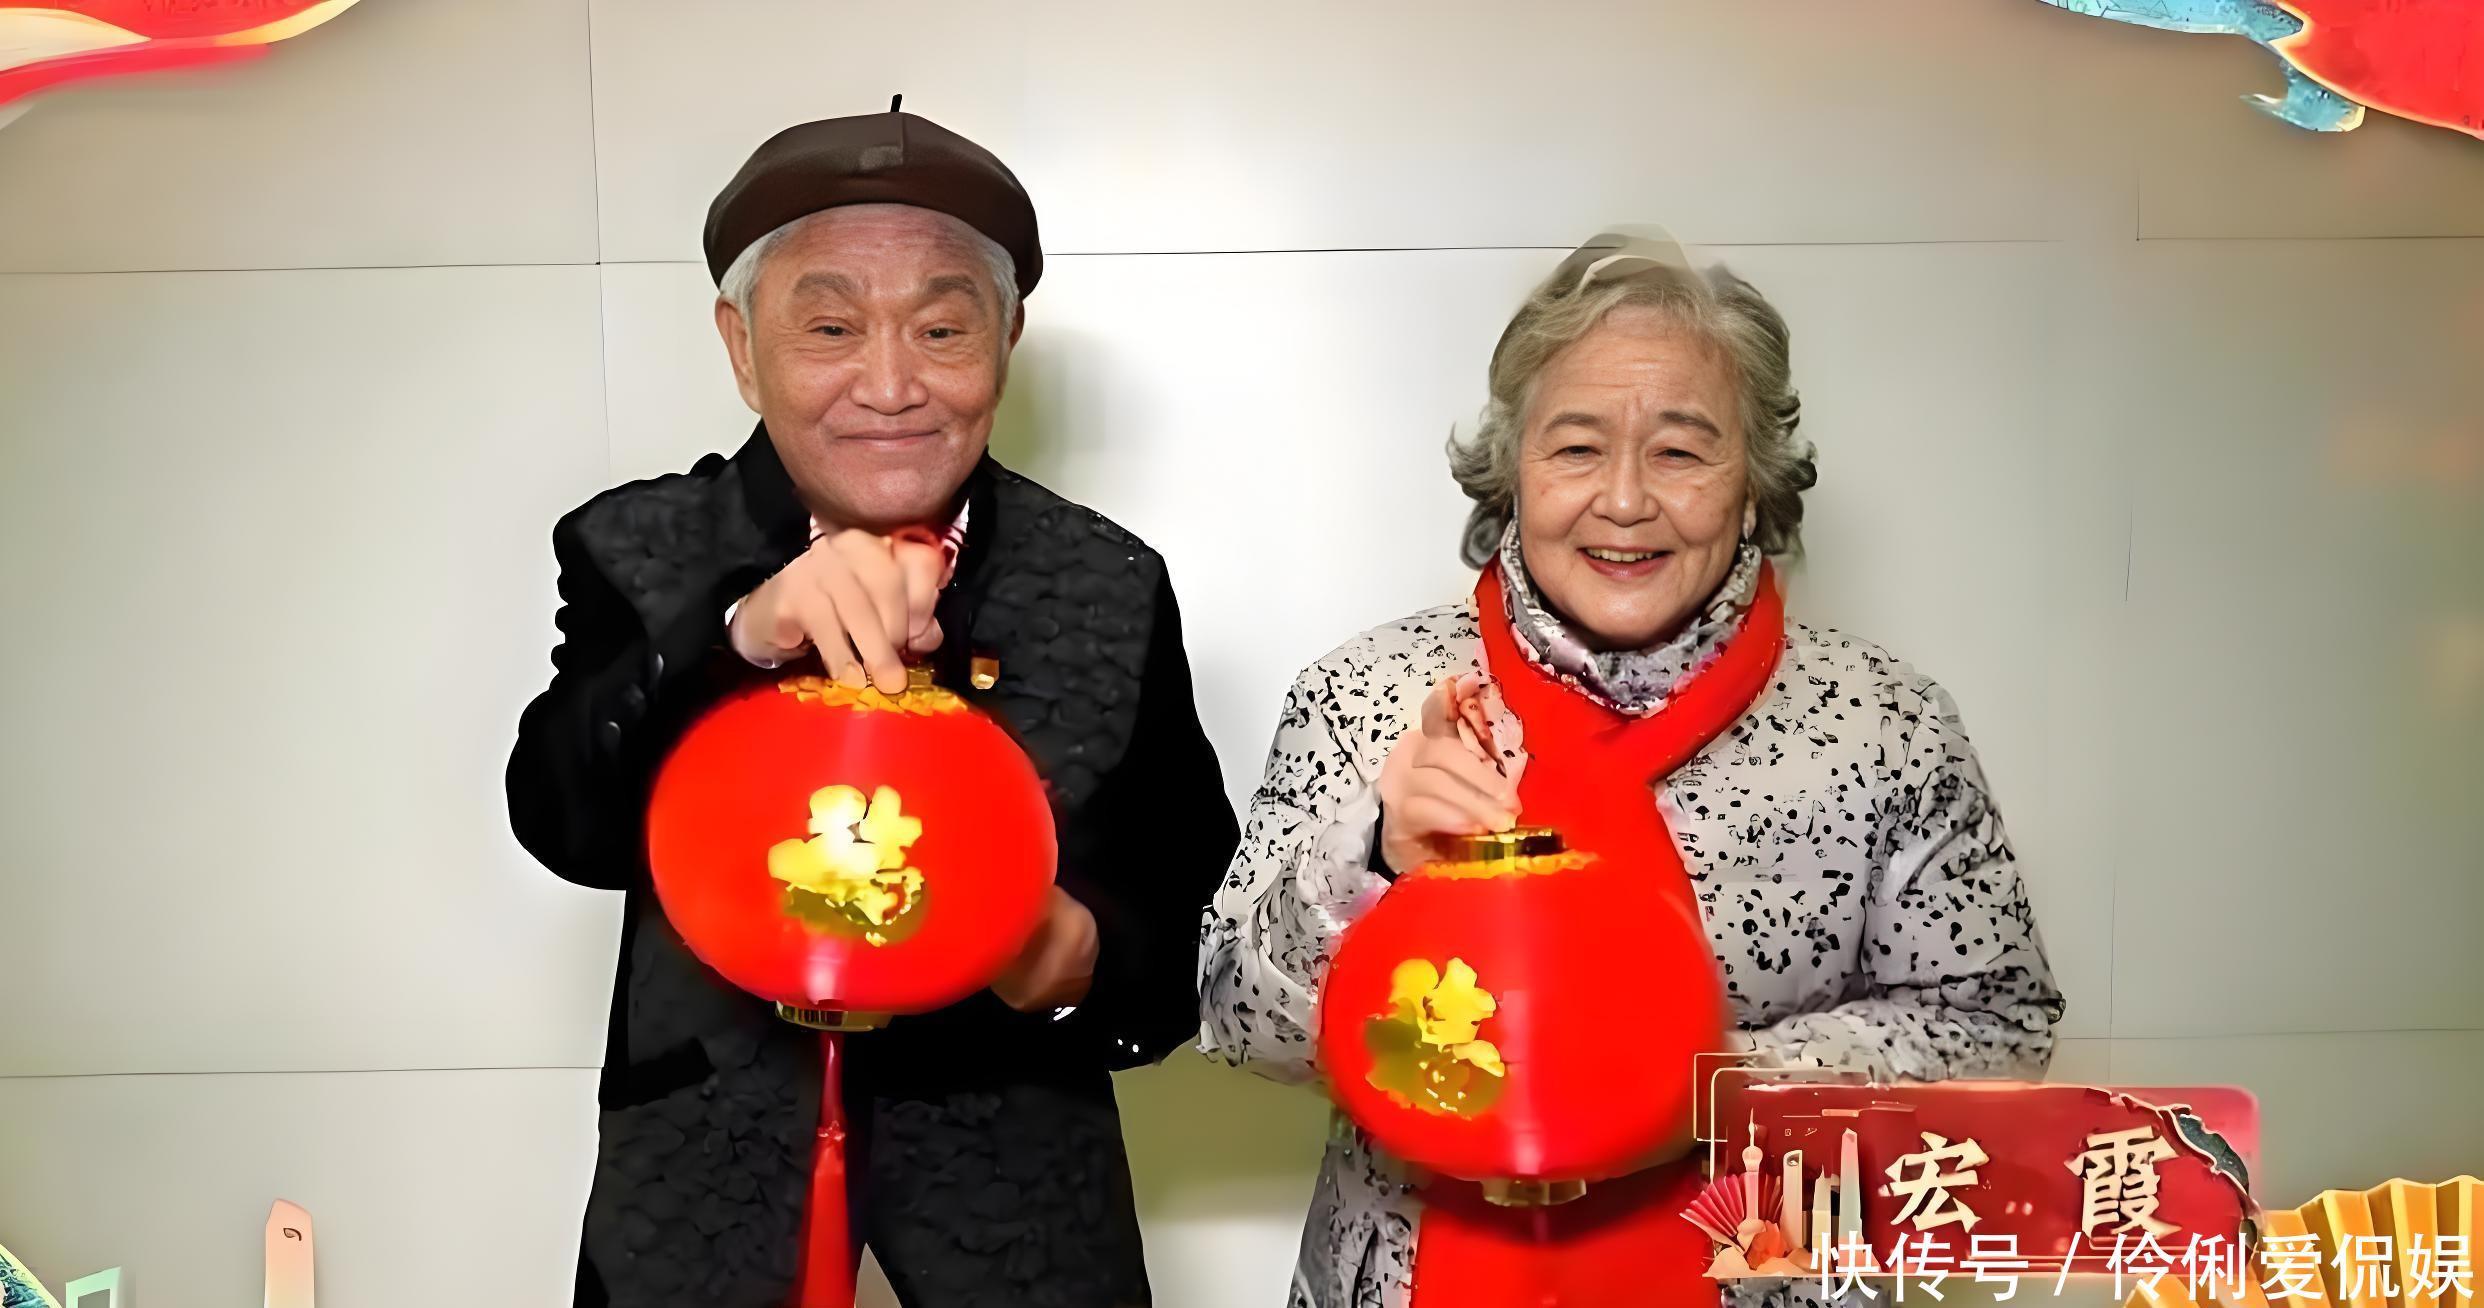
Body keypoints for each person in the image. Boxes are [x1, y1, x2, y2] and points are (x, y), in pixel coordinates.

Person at [1198, 231, 2063, 1308]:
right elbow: (1240, 1025)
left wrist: (1709, 1091)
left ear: (1754, 484)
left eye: (1681, 452)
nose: (1622, 500)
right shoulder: (1365, 694)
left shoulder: (1885, 724)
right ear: (1512, 473)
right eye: (1575, 448)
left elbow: (1994, 1025)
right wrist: (1371, 856)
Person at [508, 105, 1238, 1308]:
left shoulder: (1107, 579)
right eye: (831, 327)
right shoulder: (639, 548)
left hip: (1018, 1193)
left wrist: (1075, 958)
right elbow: (563, 819)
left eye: (942, 328)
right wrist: (739, 637)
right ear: (743, 348)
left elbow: (1188, 923)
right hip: (702, 1182)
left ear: (1008, 337)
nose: (891, 386)